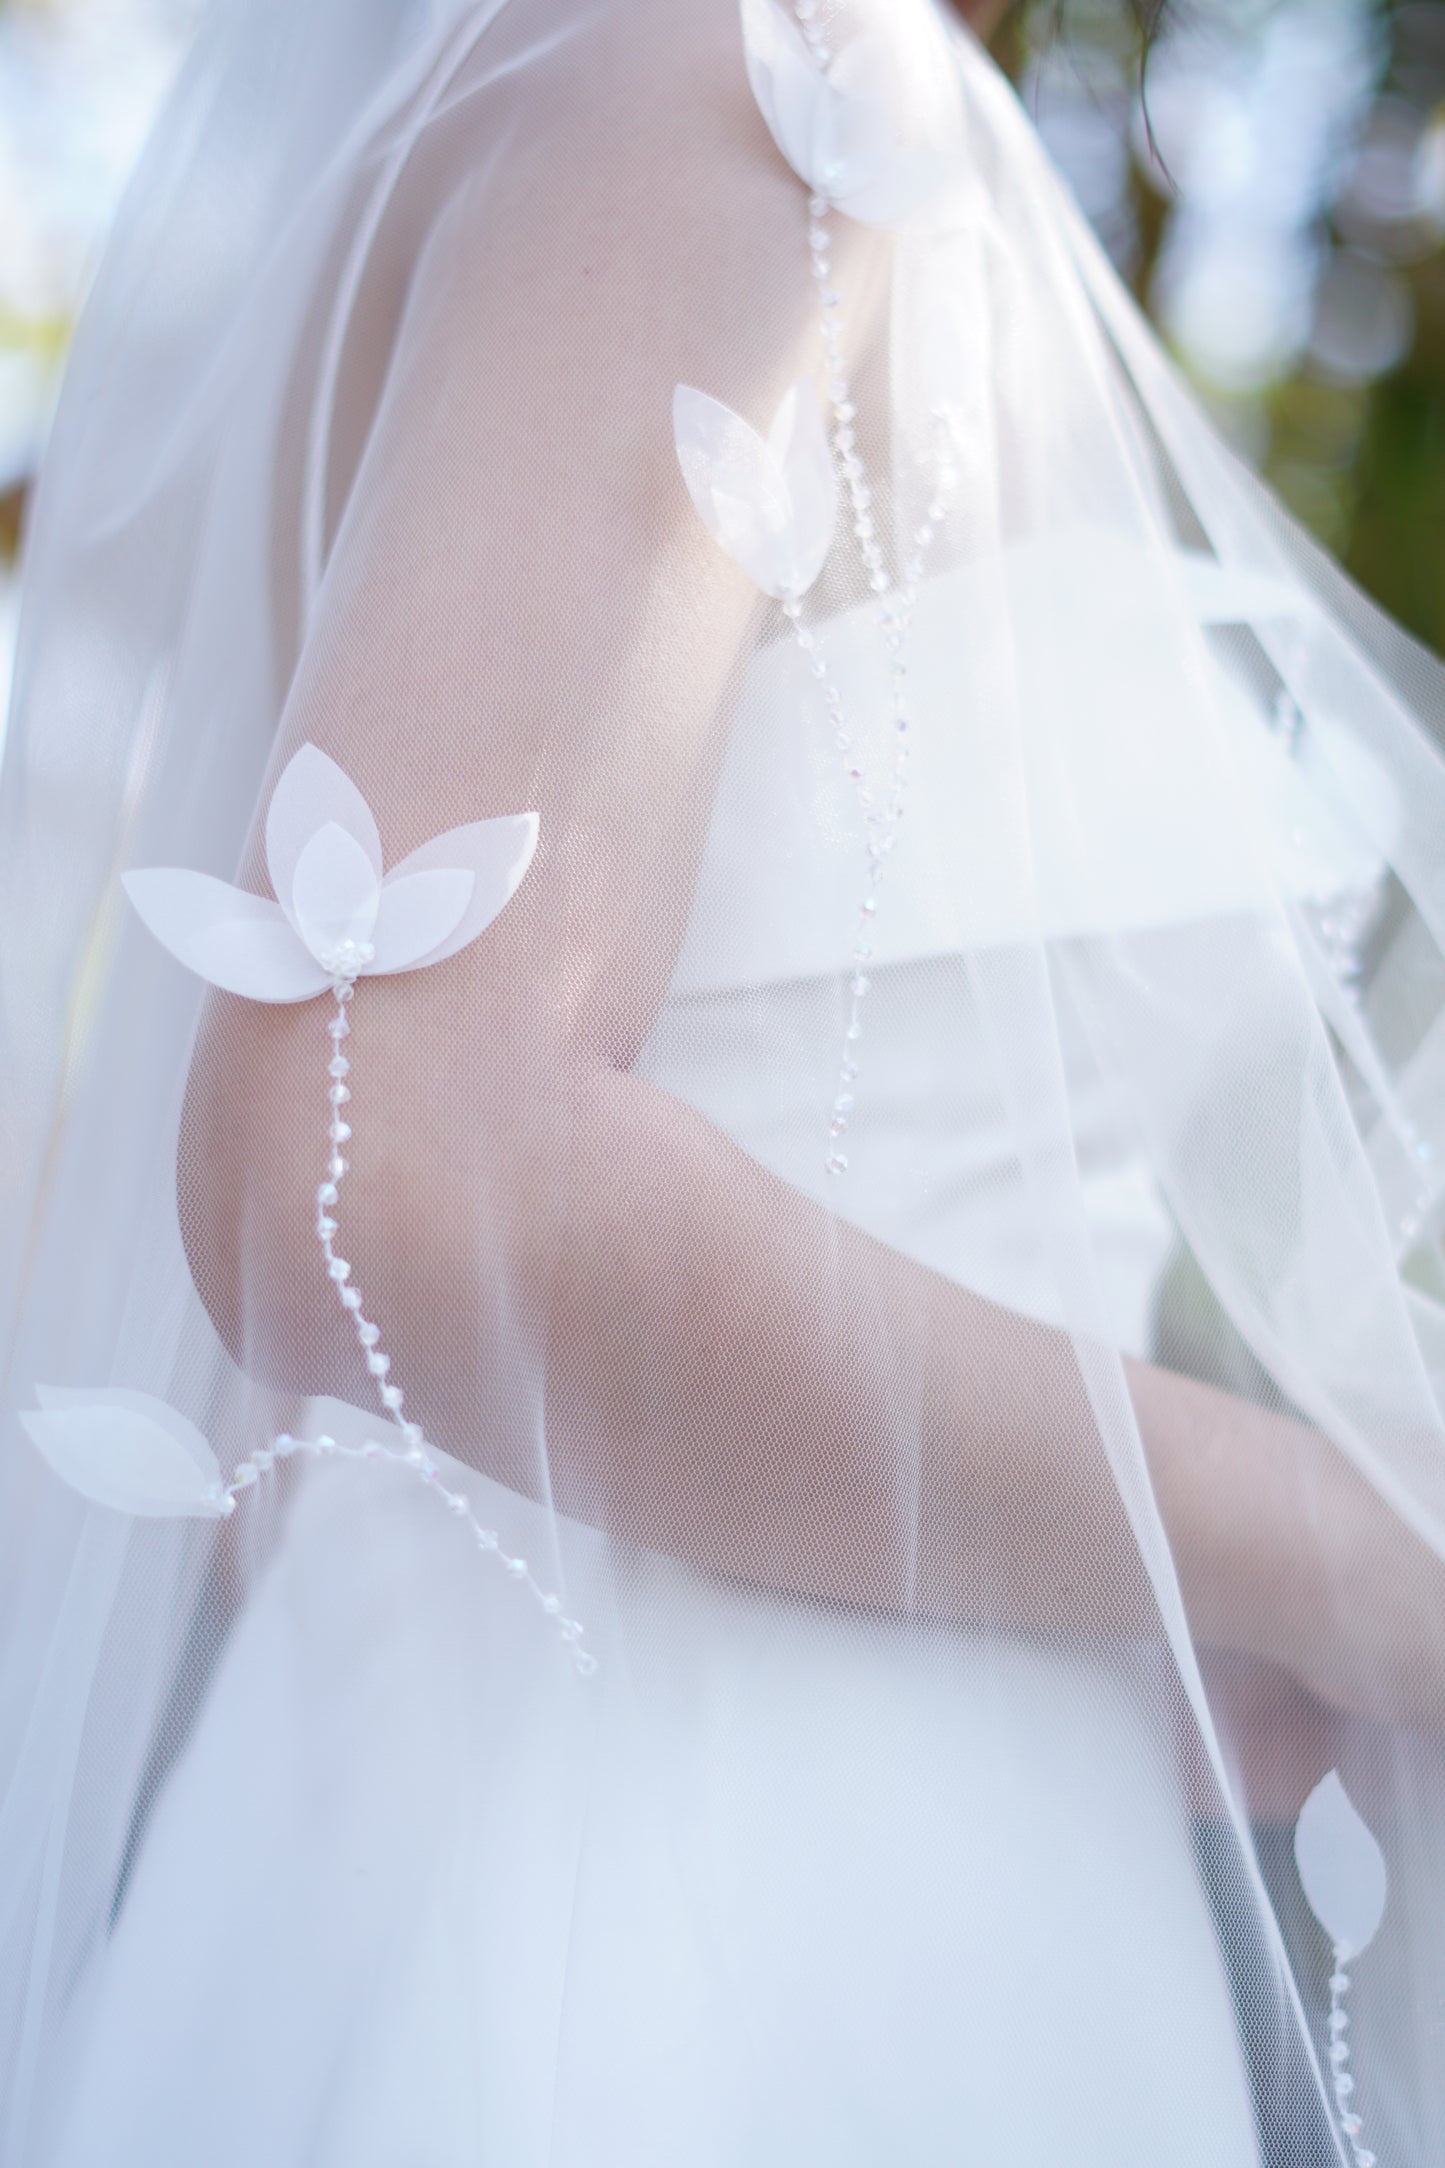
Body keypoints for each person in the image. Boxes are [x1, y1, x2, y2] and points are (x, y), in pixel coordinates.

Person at [2, 0, 1443, 2159]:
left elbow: (300, 1430)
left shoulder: (641, 94)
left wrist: (1087, 1593)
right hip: (697, 1934)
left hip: (779, 1863)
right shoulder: (729, 74)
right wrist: (1347, 1556)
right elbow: (384, 1170)